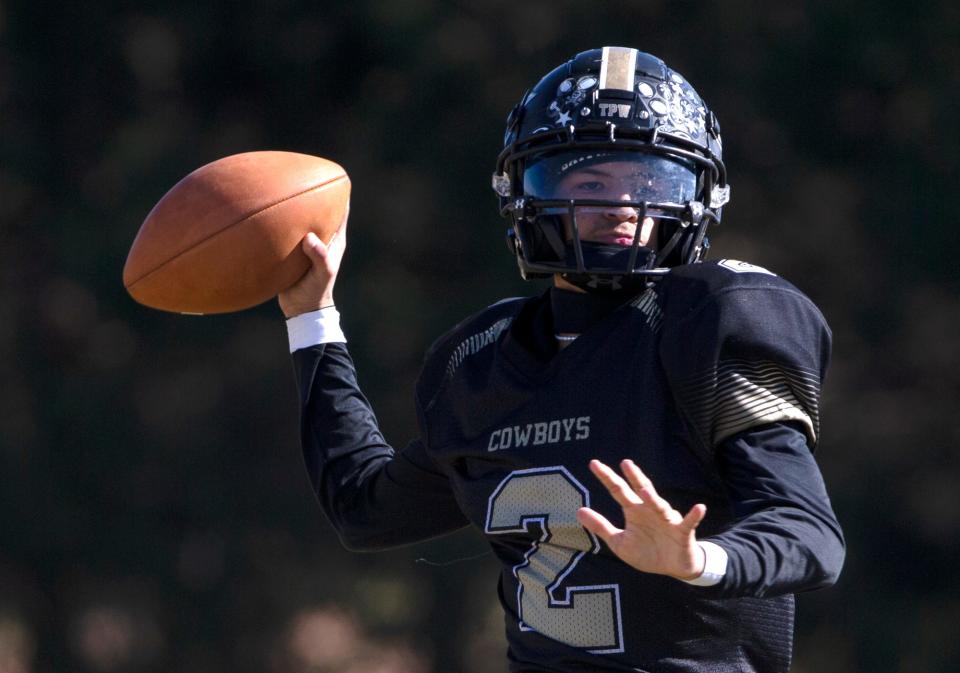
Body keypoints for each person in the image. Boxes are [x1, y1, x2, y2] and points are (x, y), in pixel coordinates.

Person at [278, 47, 845, 673]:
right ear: (524, 190)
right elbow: (363, 510)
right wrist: (312, 316)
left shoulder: (710, 322)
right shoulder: (481, 362)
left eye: (651, 182)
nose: (624, 206)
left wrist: (698, 560)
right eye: (590, 181)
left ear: (698, 196)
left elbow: (808, 533)